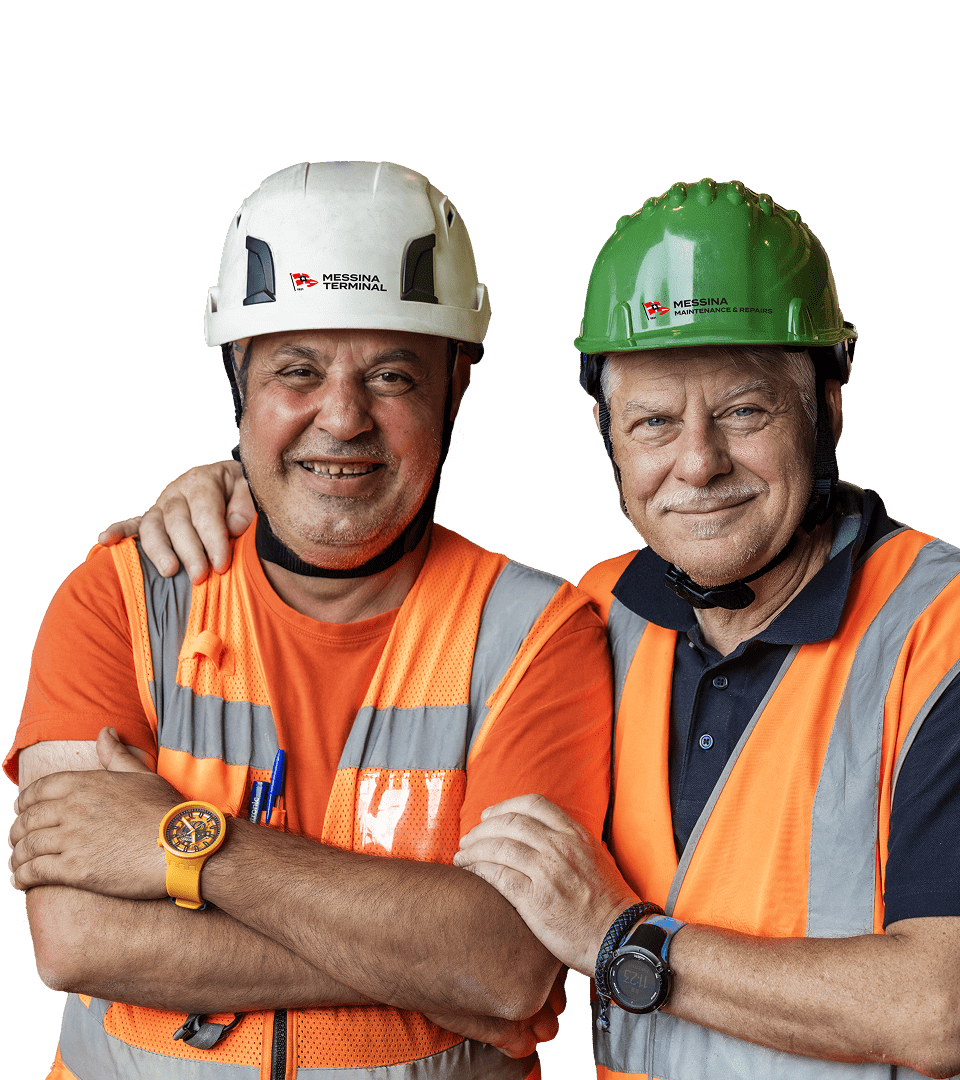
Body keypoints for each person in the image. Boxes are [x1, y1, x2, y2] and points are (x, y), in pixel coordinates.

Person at [117, 179, 960, 1079]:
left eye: (744, 412)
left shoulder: (935, 631)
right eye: (653, 422)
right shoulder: (607, 616)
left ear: (828, 407)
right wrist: (247, 493)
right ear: (606, 433)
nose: (698, 462)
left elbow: (940, 1009)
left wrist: (621, 941)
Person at [6, 161, 613, 1080]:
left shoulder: (534, 636)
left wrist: (187, 844)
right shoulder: (121, 598)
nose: (343, 417)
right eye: (297, 370)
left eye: (392, 375)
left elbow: (508, 961)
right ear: (238, 380)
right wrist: (433, 966)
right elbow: (74, 937)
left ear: (455, 389)